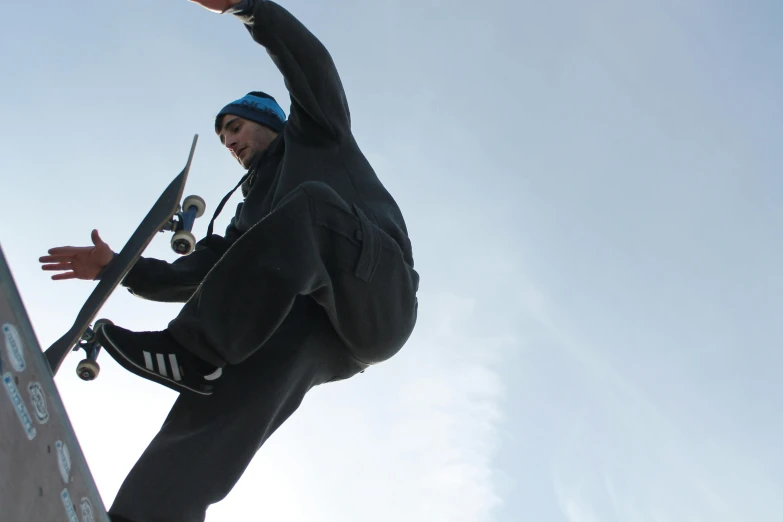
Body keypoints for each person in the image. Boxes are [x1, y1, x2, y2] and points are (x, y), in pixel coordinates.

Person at [38, 0, 419, 520]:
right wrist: (116, 266)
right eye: (223, 138)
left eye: (236, 128)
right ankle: (145, 513)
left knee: (309, 207)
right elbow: (192, 276)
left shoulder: (317, 132)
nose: (231, 143)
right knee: (219, 397)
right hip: (319, 333)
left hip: (375, 290)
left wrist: (250, 7)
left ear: (269, 122)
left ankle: (193, 350)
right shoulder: (248, 220)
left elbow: (311, 63)